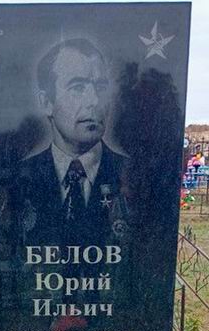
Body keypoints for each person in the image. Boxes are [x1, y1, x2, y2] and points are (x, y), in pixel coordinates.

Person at [16, 38, 129, 247]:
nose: (94, 101)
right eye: (78, 87)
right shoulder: (19, 177)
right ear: (46, 102)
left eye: (100, 87)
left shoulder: (133, 173)